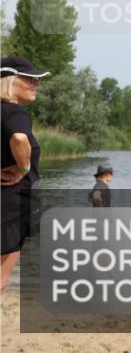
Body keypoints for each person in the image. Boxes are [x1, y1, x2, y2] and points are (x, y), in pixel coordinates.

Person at [1, 55, 50, 293]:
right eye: (30, 79)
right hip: (11, 207)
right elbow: (19, 138)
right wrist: (23, 167)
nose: (35, 85)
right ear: (10, 81)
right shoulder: (14, 113)